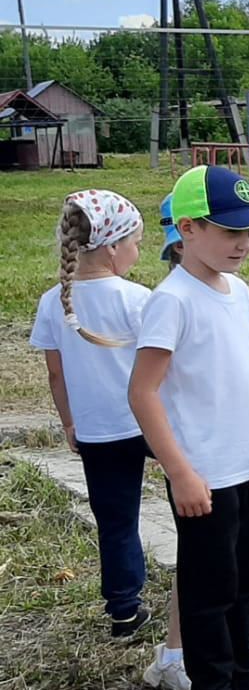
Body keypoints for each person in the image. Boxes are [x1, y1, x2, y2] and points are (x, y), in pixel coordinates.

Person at [128, 165, 249, 690]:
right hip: (204, 478)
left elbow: (237, 379)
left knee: (247, 580)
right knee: (208, 592)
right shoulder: (170, 301)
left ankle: (246, 687)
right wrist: (180, 471)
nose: (244, 242)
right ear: (188, 228)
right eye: (230, 231)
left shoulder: (239, 291)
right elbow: (143, 393)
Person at [29, 190, 153, 641]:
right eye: (137, 243)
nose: (138, 252)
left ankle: (124, 611)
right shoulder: (139, 299)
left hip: (98, 432)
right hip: (152, 423)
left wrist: (68, 423)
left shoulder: (53, 302)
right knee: (192, 497)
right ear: (113, 246)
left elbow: (56, 376)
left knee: (116, 520)